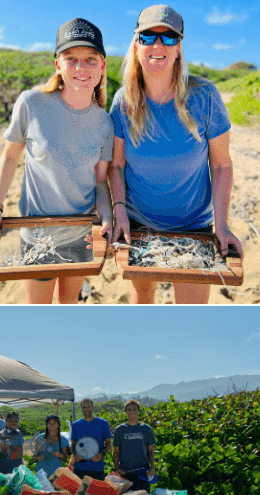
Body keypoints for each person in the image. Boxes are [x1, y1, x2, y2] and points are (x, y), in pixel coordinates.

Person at [108, 4, 242, 304]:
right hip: (138, 224)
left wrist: (221, 224)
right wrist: (119, 212)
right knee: (143, 301)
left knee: (192, 308)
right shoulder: (122, 103)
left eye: (168, 38)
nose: (158, 45)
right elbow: (115, 165)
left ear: (179, 48)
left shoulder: (205, 96)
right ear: (136, 45)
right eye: (148, 37)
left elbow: (221, 165)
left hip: (194, 225)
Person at [0, 17, 114, 304]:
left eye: (90, 59)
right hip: (36, 232)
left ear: (102, 66)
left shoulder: (105, 122)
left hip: (82, 232)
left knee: (68, 307)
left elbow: (101, 180)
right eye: (71, 58)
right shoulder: (31, 104)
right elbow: (9, 156)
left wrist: (107, 216)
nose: (81, 67)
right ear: (58, 64)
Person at [113, 399, 157, 491]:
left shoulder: (146, 429)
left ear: (138, 411)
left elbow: (151, 450)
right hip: (125, 473)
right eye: (129, 409)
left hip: (143, 473)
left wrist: (152, 467)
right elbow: (116, 451)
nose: (132, 411)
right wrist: (117, 468)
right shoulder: (119, 430)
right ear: (126, 412)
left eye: (134, 409)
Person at [70, 398, 112, 481]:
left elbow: (109, 443)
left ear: (93, 407)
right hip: (79, 469)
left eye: (88, 407)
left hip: (97, 469)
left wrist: (101, 453)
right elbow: (73, 444)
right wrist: (74, 454)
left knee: (96, 494)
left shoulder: (103, 423)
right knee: (79, 493)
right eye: (84, 407)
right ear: (81, 409)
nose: (86, 409)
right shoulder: (75, 425)